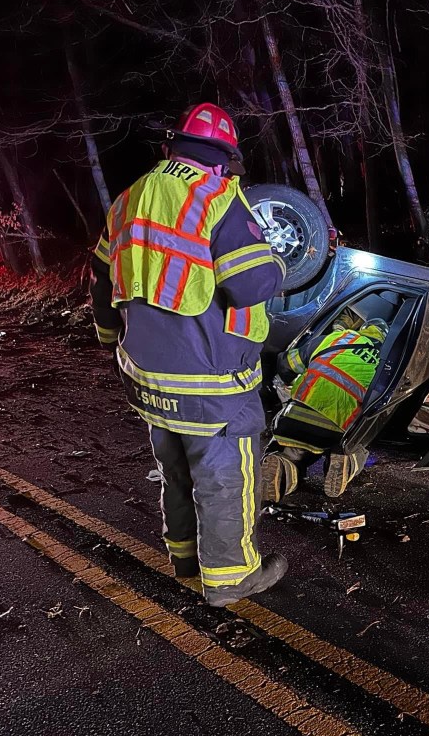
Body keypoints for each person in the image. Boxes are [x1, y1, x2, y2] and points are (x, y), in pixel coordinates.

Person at [90, 102, 289, 608]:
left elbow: (99, 280)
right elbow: (251, 286)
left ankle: (184, 558)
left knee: (175, 468)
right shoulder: (219, 198)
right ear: (222, 160)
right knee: (225, 475)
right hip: (212, 383)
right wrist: (278, 261)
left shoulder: (127, 200)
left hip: (146, 377)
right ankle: (230, 579)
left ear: (171, 148)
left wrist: (109, 336)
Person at [263, 317, 389, 500]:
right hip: (336, 431)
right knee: (357, 444)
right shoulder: (385, 363)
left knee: (294, 449)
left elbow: (287, 363)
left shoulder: (338, 338)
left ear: (363, 329)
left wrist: (290, 383)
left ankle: (284, 467)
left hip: (293, 418)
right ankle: (345, 460)